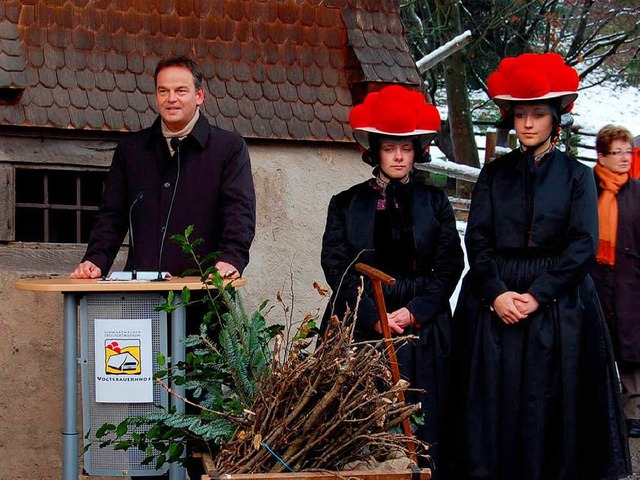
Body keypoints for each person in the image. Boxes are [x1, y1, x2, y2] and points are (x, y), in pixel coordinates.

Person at [452, 53, 631, 480]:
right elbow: (477, 238)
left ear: (555, 118)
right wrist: (496, 293)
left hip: (559, 305)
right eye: (520, 115)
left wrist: (538, 294)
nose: (528, 123)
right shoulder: (494, 175)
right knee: (494, 398)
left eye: (537, 114)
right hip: (496, 301)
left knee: (550, 400)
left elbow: (583, 244)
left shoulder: (576, 176)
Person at [320, 85, 464, 478]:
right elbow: (336, 264)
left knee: (422, 418)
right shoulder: (346, 203)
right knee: (363, 417)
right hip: (360, 323)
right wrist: (371, 314)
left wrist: (415, 312)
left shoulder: (435, 202)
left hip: (422, 328)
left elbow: (451, 264)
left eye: (406, 147)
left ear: (417, 150)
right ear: (376, 151)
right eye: (389, 147)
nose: (398, 156)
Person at [70, 56, 256, 280]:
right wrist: (95, 259)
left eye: (181, 91)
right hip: (142, 294)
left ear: (199, 96)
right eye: (163, 91)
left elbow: (239, 213)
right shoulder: (131, 150)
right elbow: (112, 215)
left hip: (203, 291)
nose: (171, 99)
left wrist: (231, 258)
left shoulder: (228, 149)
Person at [592, 125, 640, 438]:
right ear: (602, 156)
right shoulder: (588, 188)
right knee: (598, 343)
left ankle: (633, 412)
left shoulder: (637, 191)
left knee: (632, 346)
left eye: (627, 151)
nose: (624, 158)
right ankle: (600, 410)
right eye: (616, 152)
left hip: (630, 279)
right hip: (595, 277)